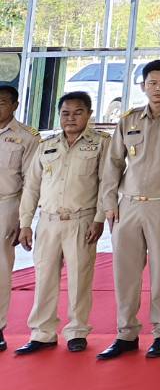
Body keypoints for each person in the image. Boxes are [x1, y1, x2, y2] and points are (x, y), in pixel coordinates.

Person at [96, 59, 160, 360]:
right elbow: (113, 163)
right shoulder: (129, 120)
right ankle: (125, 333)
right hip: (128, 206)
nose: (158, 88)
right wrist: (109, 203)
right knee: (125, 274)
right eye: (152, 83)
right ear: (143, 86)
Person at [15, 91, 106, 355]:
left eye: (78, 113)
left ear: (89, 114)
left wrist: (99, 219)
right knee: (44, 278)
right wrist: (25, 223)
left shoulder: (101, 144)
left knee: (79, 279)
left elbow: (106, 184)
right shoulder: (47, 145)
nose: (71, 118)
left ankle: (77, 331)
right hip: (48, 221)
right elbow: (32, 187)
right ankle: (42, 332)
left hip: (81, 220)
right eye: (65, 113)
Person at [0, 82, 41, 353]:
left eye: (2, 102)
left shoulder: (27, 137)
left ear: (15, 106)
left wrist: (23, 220)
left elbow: (31, 183)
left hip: (6, 205)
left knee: (1, 268)